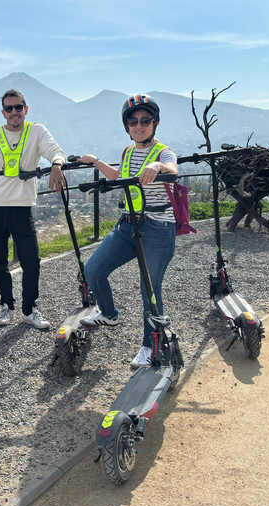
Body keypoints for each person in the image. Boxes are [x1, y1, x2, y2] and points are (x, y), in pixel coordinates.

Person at [76, 94, 178, 368]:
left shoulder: (163, 151)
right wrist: (96, 162)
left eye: (145, 120)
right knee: (94, 270)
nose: (139, 125)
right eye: (133, 121)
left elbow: (171, 168)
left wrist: (158, 167)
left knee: (150, 290)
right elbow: (120, 176)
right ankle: (109, 314)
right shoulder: (128, 152)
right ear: (127, 125)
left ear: (154, 123)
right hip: (127, 226)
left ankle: (150, 346)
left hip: (158, 229)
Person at [0, 89, 67, 329]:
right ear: (3, 112)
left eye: (18, 107)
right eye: (9, 108)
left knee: (31, 261)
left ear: (26, 109)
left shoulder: (36, 131)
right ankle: (6, 305)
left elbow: (54, 150)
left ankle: (29, 309)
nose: (14, 112)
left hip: (21, 207)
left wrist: (57, 164)